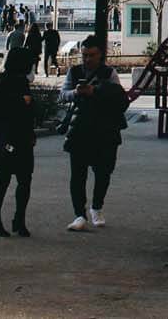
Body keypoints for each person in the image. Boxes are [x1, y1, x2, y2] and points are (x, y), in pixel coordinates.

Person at [61, 36, 128, 231]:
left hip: (105, 130)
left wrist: (96, 92)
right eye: (84, 55)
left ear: (100, 55)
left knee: (103, 173)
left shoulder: (109, 73)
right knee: (78, 175)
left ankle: (96, 207)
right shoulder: (74, 72)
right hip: (80, 129)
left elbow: (120, 98)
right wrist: (76, 92)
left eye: (91, 55)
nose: (87, 59)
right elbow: (62, 95)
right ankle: (79, 214)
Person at [0, 47, 38, 237]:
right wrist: (21, 102)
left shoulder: (10, 81)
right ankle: (7, 220)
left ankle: (4, 219)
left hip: (17, 137)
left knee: (8, 180)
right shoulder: (9, 83)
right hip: (9, 138)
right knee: (12, 180)